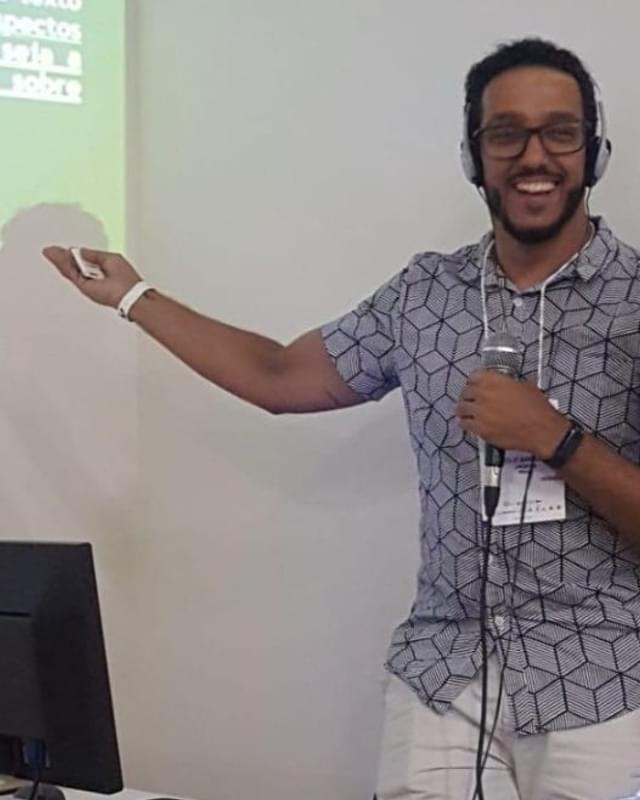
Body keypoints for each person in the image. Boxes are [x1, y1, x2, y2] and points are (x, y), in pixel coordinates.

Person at [44, 37, 640, 800]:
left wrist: (555, 439)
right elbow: (279, 375)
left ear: (595, 151)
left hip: (604, 680)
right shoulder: (425, 294)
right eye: (506, 134)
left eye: (560, 133)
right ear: (474, 155)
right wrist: (134, 296)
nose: (534, 156)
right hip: (445, 676)